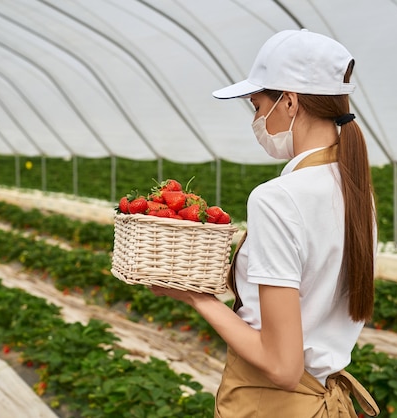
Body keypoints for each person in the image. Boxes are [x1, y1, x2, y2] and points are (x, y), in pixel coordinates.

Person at [151, 29, 380, 417]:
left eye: (258, 105)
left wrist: (195, 296)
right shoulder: (356, 191)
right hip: (322, 398)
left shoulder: (278, 198)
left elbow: (283, 367)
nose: (257, 119)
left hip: (273, 405)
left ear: (289, 102)